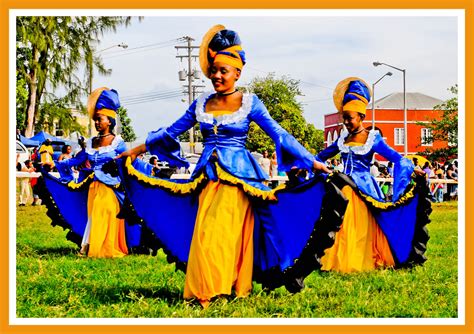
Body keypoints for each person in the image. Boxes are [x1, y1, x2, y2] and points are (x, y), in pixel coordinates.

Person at [117, 25, 340, 308]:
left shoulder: (250, 103)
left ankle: (217, 289)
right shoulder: (201, 104)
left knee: (224, 235)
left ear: (238, 72)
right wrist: (134, 150)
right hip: (207, 179)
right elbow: (171, 131)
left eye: (224, 70)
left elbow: (280, 135)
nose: (217, 76)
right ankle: (209, 288)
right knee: (205, 234)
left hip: (239, 181)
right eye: (213, 70)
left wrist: (312, 161)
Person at [314, 77, 431, 273]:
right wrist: (310, 164)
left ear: (361, 116)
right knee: (341, 225)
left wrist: (413, 168)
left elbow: (397, 158)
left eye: (349, 117)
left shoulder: (372, 139)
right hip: (344, 185)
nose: (346, 122)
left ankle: (361, 258)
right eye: (344, 117)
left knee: (361, 227)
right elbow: (320, 156)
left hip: (364, 188)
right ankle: (340, 260)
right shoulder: (342, 138)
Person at [40, 87, 146, 258]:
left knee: (106, 213)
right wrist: (54, 165)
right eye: (95, 120)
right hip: (93, 187)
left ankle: (103, 247)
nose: (97, 123)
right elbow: (76, 160)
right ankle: (89, 246)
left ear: (110, 121)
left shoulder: (118, 143)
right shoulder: (91, 142)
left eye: (100, 119)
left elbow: (129, 161)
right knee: (95, 216)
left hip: (111, 188)